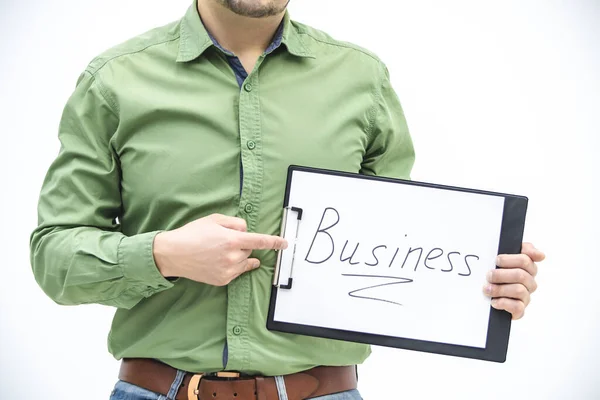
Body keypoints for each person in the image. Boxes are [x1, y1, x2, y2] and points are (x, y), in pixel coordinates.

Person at [29, 0, 546, 399]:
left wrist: (482, 286)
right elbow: (55, 257)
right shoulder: (114, 81)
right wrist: (165, 254)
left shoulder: (362, 80)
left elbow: (399, 257)